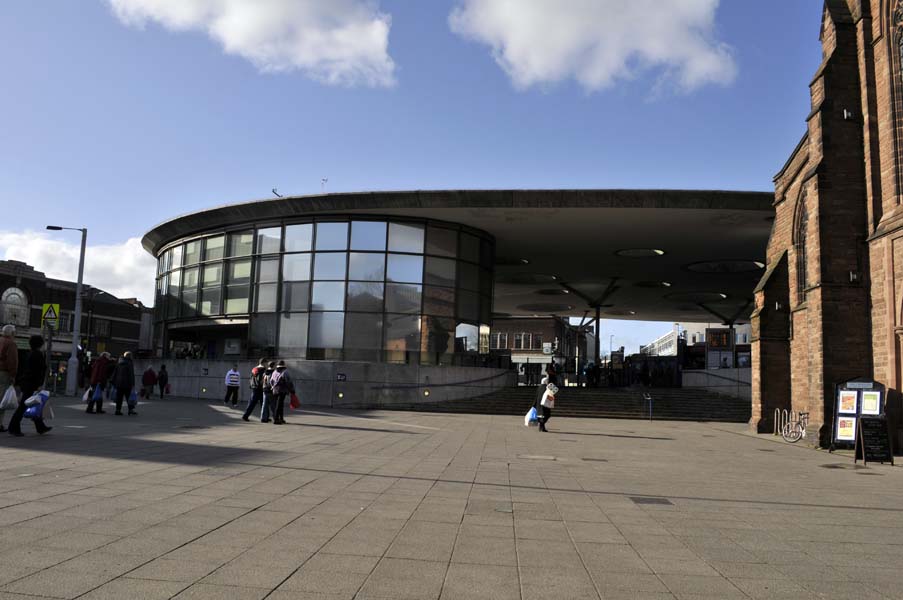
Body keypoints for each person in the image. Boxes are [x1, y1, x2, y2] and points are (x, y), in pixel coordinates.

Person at [8, 334, 51, 436]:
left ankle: (40, 427)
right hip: (32, 384)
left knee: (35, 404)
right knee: (23, 406)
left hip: (27, 382)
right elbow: (39, 371)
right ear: (40, 344)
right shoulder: (38, 355)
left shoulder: (30, 354)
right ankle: (13, 427)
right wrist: (39, 384)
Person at [0, 324, 19, 433]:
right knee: (2, 399)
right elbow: (12, 361)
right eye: (14, 332)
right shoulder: (11, 344)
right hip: (4, 373)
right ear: (12, 333)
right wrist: (13, 375)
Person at [268, 360, 293, 425]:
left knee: (279, 404)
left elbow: (271, 381)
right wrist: (292, 390)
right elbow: (289, 382)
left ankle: (281, 418)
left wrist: (273, 386)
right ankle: (276, 419)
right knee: (279, 405)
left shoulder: (274, 372)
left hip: (275, 390)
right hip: (282, 390)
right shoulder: (285, 372)